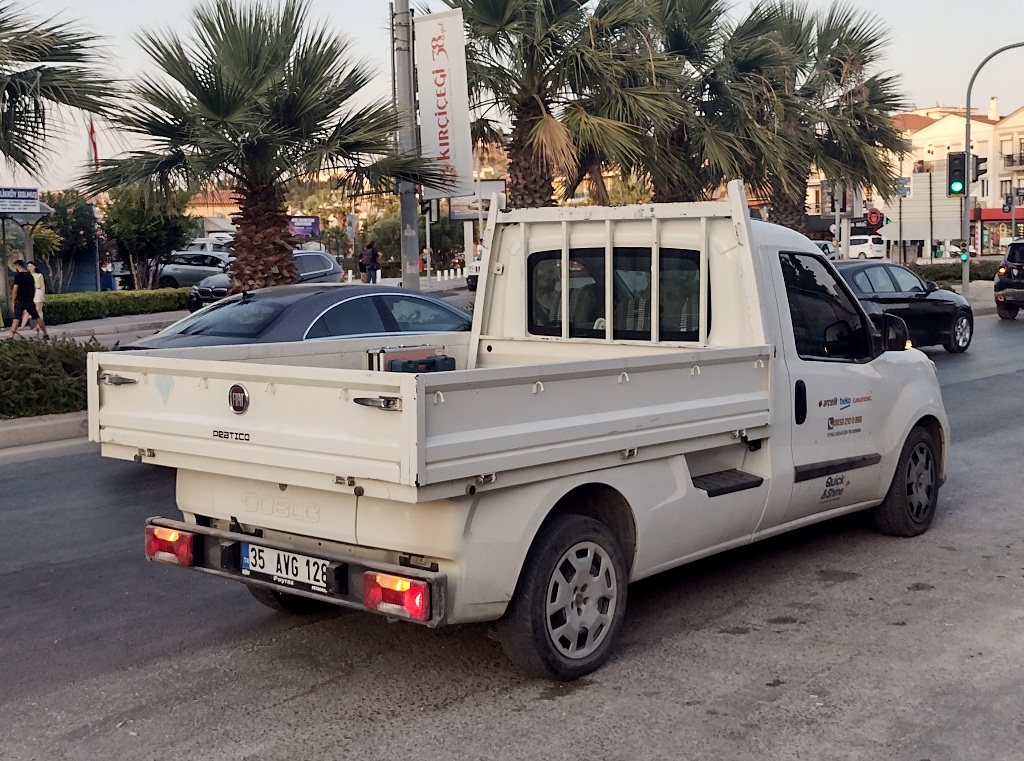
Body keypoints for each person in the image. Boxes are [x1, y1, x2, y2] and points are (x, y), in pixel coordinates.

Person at [8, 259, 48, 340]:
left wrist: (13, 301)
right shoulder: (30, 276)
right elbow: (33, 288)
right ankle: (45, 334)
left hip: (20, 300)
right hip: (29, 300)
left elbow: (15, 290)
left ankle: (11, 336)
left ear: (18, 265)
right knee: (37, 317)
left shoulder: (18, 276)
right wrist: (31, 297)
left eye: (15, 266)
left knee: (16, 318)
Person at [24, 261, 45, 335]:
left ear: (35, 267)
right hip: (29, 293)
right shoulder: (26, 275)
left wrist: (42, 295)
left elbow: (42, 286)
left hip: (37, 292)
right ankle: (22, 325)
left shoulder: (39, 275)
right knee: (27, 310)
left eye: (31, 266)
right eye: (29, 266)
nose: (30, 268)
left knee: (38, 309)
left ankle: (39, 325)